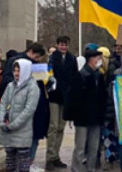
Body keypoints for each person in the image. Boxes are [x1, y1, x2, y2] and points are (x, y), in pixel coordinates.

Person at [65, 48, 107, 172]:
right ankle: (77, 169)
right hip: (82, 117)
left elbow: (103, 97)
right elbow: (74, 97)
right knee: (80, 147)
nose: (99, 61)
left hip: (96, 117)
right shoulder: (81, 75)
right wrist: (72, 115)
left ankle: (91, 168)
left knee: (94, 147)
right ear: (90, 60)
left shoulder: (99, 75)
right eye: (97, 58)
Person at [0, 59, 40, 172]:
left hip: (22, 130)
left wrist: (14, 124)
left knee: (23, 161)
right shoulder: (10, 86)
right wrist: (2, 121)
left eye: (19, 71)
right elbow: (3, 103)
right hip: (8, 130)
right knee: (10, 161)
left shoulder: (32, 87)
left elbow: (29, 109)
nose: (16, 73)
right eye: (15, 71)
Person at [46, 36, 77, 170]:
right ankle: (49, 157)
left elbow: (75, 76)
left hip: (66, 96)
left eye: (65, 45)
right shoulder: (52, 58)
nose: (63, 47)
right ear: (57, 45)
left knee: (60, 127)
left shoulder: (72, 58)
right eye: (61, 44)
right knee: (53, 127)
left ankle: (56, 156)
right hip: (54, 95)